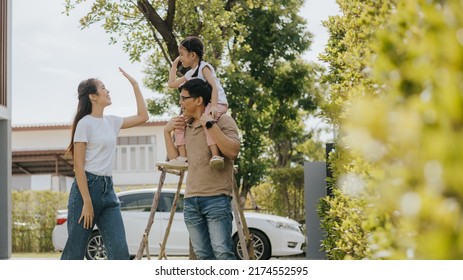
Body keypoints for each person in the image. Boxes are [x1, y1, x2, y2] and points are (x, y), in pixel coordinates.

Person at [60, 68, 149, 260]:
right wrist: (87, 202)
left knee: (119, 252)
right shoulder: (85, 124)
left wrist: (135, 85)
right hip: (86, 192)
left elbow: (143, 116)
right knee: (74, 254)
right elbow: (78, 167)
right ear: (93, 96)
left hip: (108, 191)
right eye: (103, 88)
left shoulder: (112, 122)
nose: (108, 91)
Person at [162, 78, 240, 260]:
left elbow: (232, 151)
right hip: (191, 200)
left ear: (198, 100)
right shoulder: (185, 126)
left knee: (222, 253)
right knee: (203, 256)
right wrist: (166, 132)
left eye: (184, 98)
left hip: (216, 198)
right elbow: (176, 159)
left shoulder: (223, 120)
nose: (180, 103)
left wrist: (209, 124)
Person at [166, 36, 228, 169]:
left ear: (193, 55)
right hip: (204, 104)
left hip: (217, 102)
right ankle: (183, 157)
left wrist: (215, 106)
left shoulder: (204, 68)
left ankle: (215, 155)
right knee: (179, 123)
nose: (180, 57)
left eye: (182, 54)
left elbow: (214, 87)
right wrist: (173, 65)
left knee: (207, 122)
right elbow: (171, 84)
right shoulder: (190, 73)